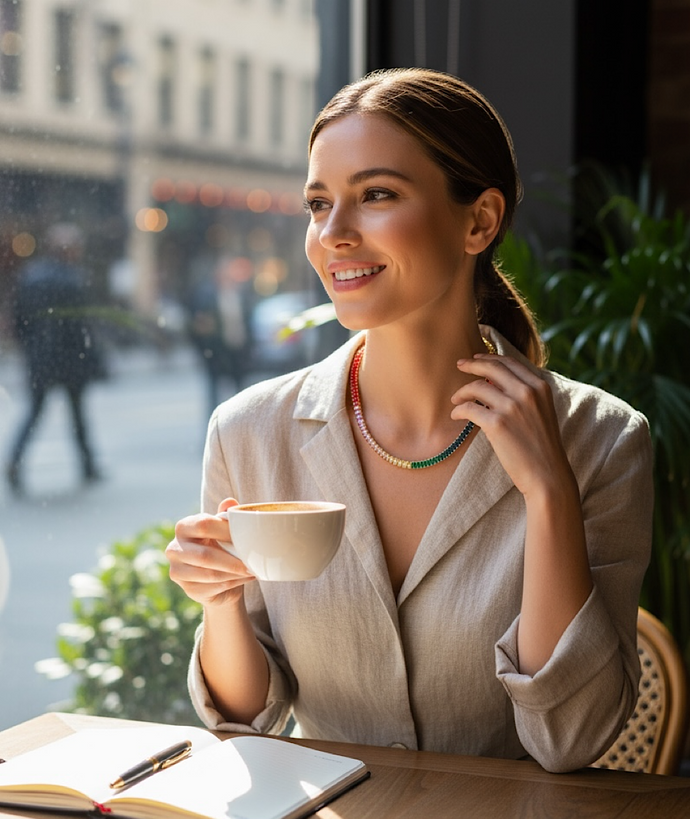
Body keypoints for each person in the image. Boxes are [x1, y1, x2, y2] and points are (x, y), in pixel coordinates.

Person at [166, 68, 653, 773]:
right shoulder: (249, 431)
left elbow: (572, 740)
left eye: (376, 195)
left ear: (479, 220)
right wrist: (220, 601)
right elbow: (249, 721)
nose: (332, 234)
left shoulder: (601, 440)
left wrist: (550, 491)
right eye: (317, 203)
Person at [6, 223, 104, 493]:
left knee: (37, 412)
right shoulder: (72, 280)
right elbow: (81, 326)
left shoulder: (30, 276)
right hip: (69, 359)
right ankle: (87, 466)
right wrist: (92, 358)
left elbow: (18, 321)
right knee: (77, 415)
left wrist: (30, 349)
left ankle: (15, 461)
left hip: (40, 359)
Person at [186, 256, 254, 420]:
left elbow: (248, 321)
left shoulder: (241, 294)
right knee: (214, 395)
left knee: (241, 394)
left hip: (238, 350)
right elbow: (197, 325)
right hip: (216, 352)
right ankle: (215, 429)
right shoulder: (206, 295)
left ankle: (240, 427)